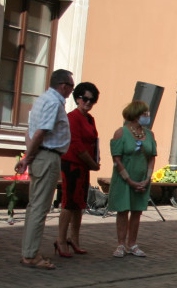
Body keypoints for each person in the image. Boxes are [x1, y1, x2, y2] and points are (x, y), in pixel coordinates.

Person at [15, 69, 74, 270]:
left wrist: (28, 156)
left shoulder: (42, 100)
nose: (71, 91)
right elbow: (40, 132)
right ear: (64, 86)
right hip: (47, 155)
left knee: (34, 206)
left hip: (40, 155)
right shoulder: (52, 102)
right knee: (39, 207)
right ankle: (31, 255)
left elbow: (30, 131)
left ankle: (28, 251)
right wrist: (27, 156)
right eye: (71, 87)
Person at [55, 82, 101, 257]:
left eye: (92, 100)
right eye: (85, 99)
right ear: (78, 98)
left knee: (79, 204)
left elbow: (93, 141)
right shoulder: (72, 118)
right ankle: (60, 239)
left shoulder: (90, 119)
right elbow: (76, 145)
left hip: (84, 165)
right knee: (69, 203)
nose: (88, 102)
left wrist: (95, 160)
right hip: (72, 164)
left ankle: (74, 239)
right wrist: (91, 162)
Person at [109, 100, 156, 257]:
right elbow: (117, 159)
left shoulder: (149, 134)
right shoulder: (120, 133)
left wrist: (148, 178)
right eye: (144, 113)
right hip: (124, 180)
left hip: (142, 179)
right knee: (123, 211)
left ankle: (132, 244)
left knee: (137, 211)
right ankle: (121, 244)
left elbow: (151, 158)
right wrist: (129, 180)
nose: (147, 116)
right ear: (135, 115)